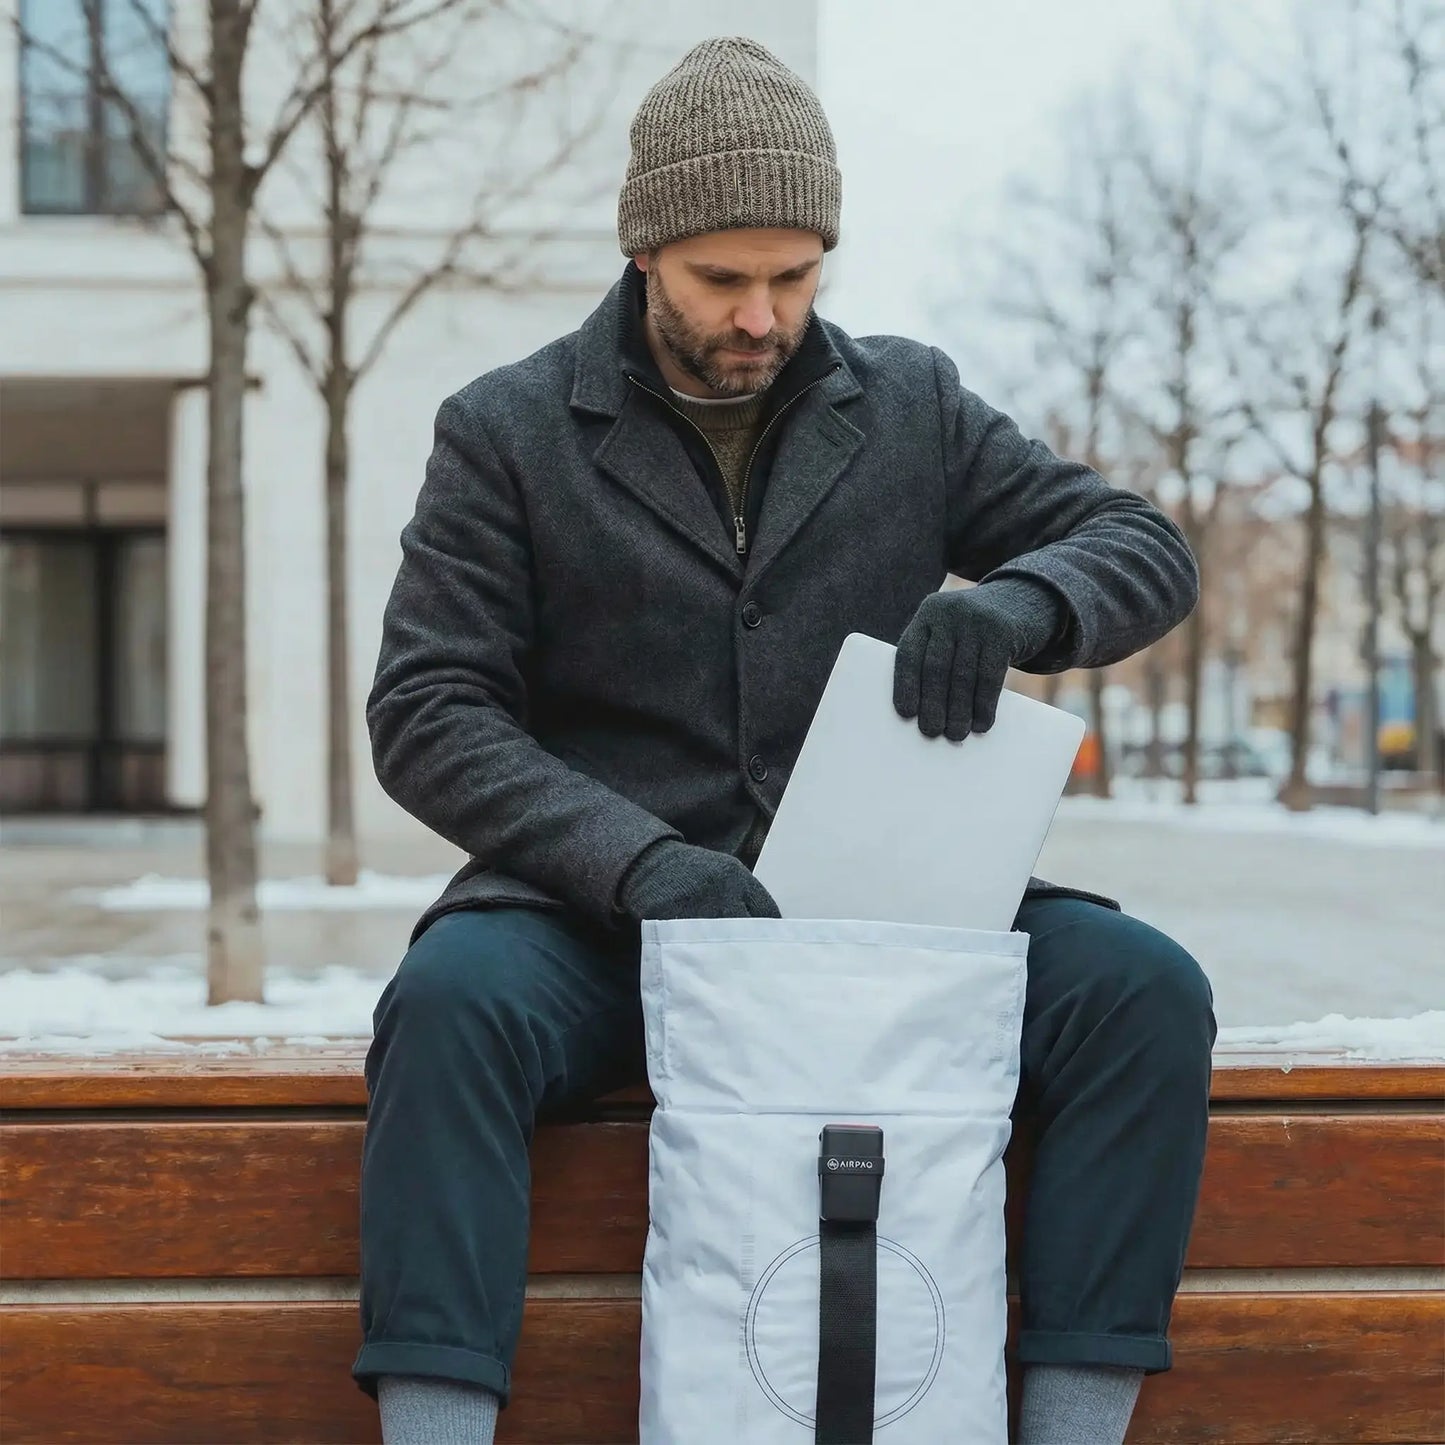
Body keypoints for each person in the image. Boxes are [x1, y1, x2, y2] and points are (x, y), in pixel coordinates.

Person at [354, 34, 1216, 1445]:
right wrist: (635, 862)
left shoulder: (913, 404)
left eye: (797, 276)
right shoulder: (506, 430)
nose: (763, 316)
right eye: (722, 279)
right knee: (449, 1006)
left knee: (1141, 992)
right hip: (601, 924)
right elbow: (427, 709)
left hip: (878, 915)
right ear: (644, 252)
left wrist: (1016, 604)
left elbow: (1142, 544)